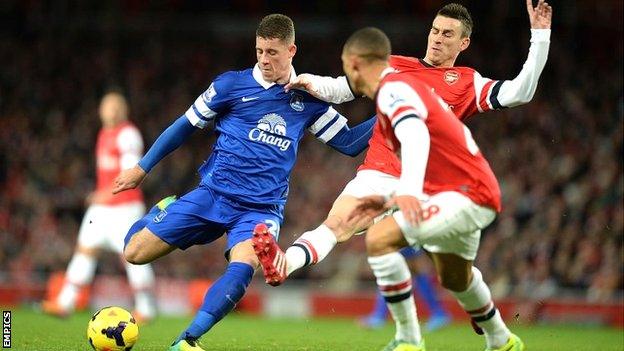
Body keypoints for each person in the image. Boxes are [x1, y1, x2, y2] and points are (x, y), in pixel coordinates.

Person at [112, 14, 375, 351]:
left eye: (273, 53)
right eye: (260, 51)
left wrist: (388, 112)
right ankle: (163, 210)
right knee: (134, 253)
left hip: (260, 210)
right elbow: (184, 125)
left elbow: (349, 143)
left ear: (292, 50)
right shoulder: (230, 86)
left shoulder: (307, 99)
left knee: (245, 268)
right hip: (212, 195)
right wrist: (142, 167)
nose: (265, 59)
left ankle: (187, 340)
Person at [253, 0, 551, 286]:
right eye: (434, 30)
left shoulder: (466, 82)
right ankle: (285, 264)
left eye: (447, 34)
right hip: (378, 174)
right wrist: (311, 82)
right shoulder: (393, 66)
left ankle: (483, 312)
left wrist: (540, 37)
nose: (437, 38)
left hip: (427, 186)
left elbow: (520, 92)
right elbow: (342, 88)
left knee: (454, 275)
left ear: (464, 43)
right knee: (337, 223)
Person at [343, 26, 524, 351]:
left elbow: (417, 136)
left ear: (355, 64)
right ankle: (502, 340)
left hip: (464, 193)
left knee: (379, 240)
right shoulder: (408, 92)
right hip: (465, 192)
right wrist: (387, 197)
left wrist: (407, 191)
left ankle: (409, 340)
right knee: (456, 278)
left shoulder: (394, 89)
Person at [42, 92, 157, 323]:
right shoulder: (104, 134)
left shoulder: (128, 134)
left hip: (124, 207)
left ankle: (146, 308)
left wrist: (102, 194)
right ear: (100, 110)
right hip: (103, 208)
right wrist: (102, 196)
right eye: (107, 106)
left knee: (132, 255)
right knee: (85, 250)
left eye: (116, 106)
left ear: (124, 110)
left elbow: (130, 174)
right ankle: (65, 303)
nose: (112, 110)